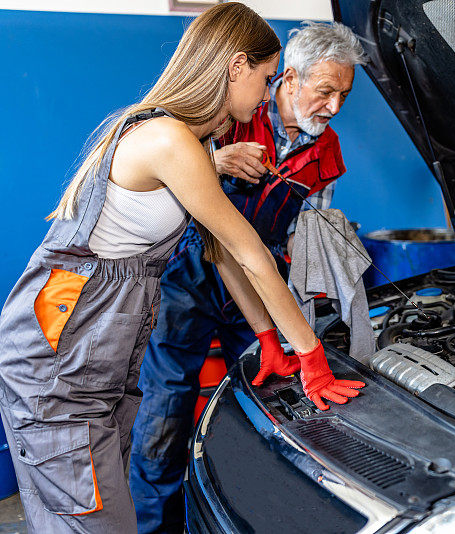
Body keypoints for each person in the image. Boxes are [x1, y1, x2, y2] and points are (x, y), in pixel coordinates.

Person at [0, 5, 363, 532]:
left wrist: (267, 336)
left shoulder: (191, 140)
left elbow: (223, 250)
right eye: (265, 80)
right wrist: (309, 355)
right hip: (66, 352)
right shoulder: (171, 140)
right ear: (236, 66)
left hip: (101, 346)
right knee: (93, 518)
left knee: (88, 506)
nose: (266, 96)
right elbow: (247, 251)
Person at [129, 22, 366, 533]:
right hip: (189, 274)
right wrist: (214, 161)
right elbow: (172, 171)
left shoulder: (328, 151)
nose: (334, 106)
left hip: (261, 284)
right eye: (325, 91)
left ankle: (236, 515)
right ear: (290, 78)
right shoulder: (236, 107)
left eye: (344, 95)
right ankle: (155, 527)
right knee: (166, 405)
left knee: (258, 403)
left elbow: (304, 235)